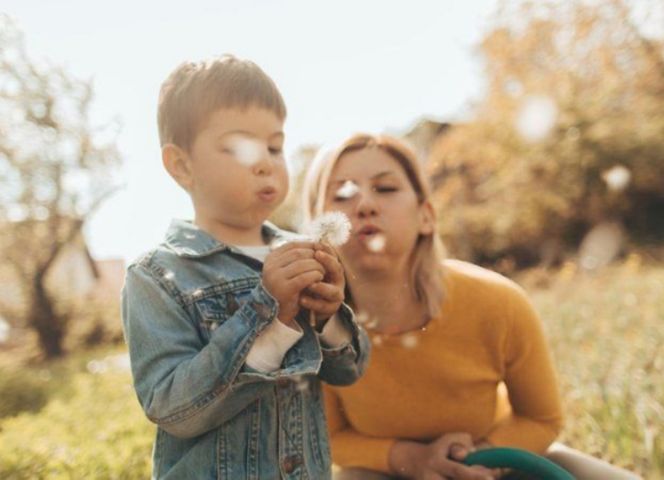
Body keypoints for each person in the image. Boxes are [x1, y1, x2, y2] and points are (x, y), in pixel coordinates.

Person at [302, 133, 641, 480]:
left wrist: (477, 459)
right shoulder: (311, 326)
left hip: (495, 458)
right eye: (342, 192)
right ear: (316, 226)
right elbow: (330, 438)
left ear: (426, 217)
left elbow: (542, 419)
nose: (364, 204)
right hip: (384, 472)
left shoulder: (497, 302)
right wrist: (411, 459)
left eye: (385, 189)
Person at [121, 55, 369, 480]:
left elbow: (349, 372)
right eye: (241, 147)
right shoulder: (157, 276)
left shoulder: (303, 253)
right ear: (182, 165)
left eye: (275, 146)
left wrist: (329, 317)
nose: (266, 162)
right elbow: (171, 408)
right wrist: (266, 314)